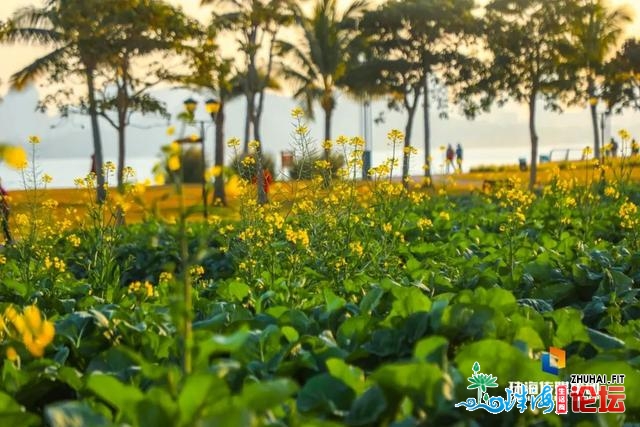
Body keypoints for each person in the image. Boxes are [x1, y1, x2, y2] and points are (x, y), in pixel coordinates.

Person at [0, 179, 13, 244]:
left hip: (4, 209)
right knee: (4, 225)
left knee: (4, 225)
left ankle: (8, 240)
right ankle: (8, 240)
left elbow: (7, 196)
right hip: (3, 209)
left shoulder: (1, 189)